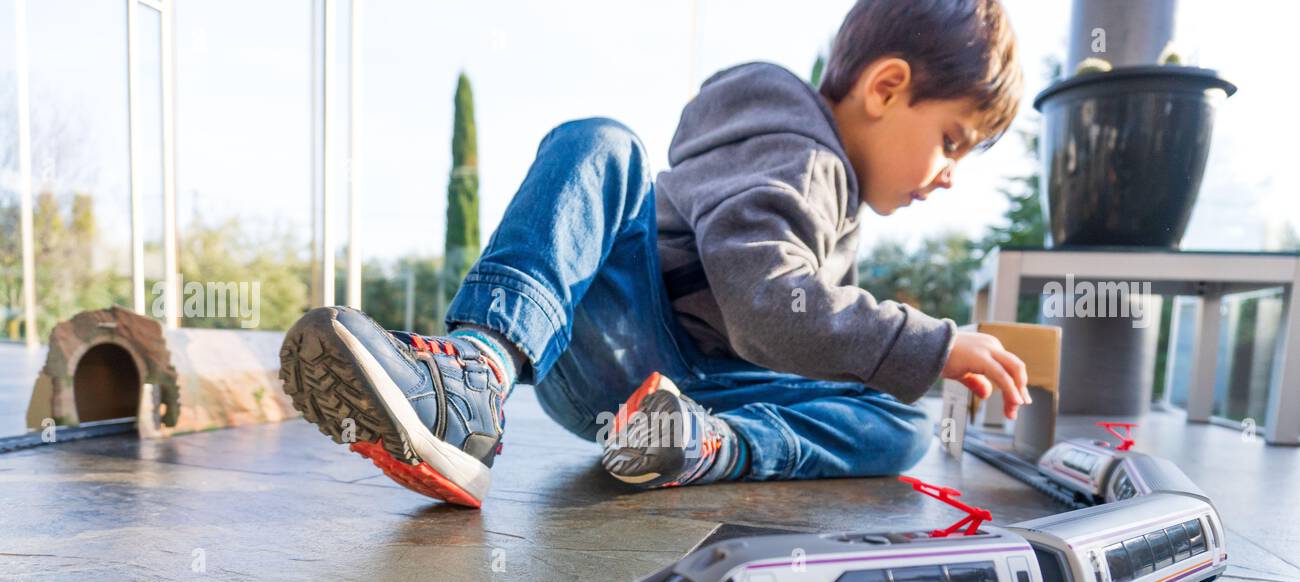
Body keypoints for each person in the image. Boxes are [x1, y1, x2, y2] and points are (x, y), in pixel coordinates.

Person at [279, 0, 1030, 508]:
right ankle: (478, 368)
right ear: (887, 87)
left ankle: (693, 442)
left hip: (654, 392)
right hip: (627, 331)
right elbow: (767, 305)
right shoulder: (803, 152)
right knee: (602, 145)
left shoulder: (835, 200)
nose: (949, 174)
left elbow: (795, 337)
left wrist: (899, 360)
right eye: (952, 140)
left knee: (899, 420)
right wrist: (934, 342)